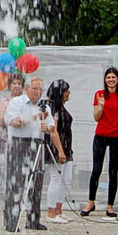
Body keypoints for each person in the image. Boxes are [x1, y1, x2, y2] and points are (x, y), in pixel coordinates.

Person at [3, 77, 60, 233]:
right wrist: (34, 118)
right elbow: (14, 122)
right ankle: (11, 220)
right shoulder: (17, 102)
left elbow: (52, 126)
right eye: (35, 89)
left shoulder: (44, 107)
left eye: (41, 89)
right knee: (16, 181)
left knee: (36, 181)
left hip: (37, 143)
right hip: (18, 143)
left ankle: (33, 219)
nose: (38, 92)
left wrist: (47, 127)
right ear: (27, 89)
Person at [83, 67, 118, 219]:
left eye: (113, 77)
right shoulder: (99, 94)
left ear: (117, 79)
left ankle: (110, 206)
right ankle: (91, 202)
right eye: (108, 77)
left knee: (113, 171)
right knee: (97, 169)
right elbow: (96, 117)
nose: (111, 80)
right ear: (105, 80)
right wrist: (101, 105)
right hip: (101, 135)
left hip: (117, 136)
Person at [45, 79, 73, 221]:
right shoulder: (52, 108)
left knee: (67, 179)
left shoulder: (61, 107)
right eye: (66, 90)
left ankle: (59, 209)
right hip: (57, 147)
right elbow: (53, 130)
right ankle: (51, 211)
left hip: (67, 147)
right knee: (56, 178)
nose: (69, 93)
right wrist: (60, 150)